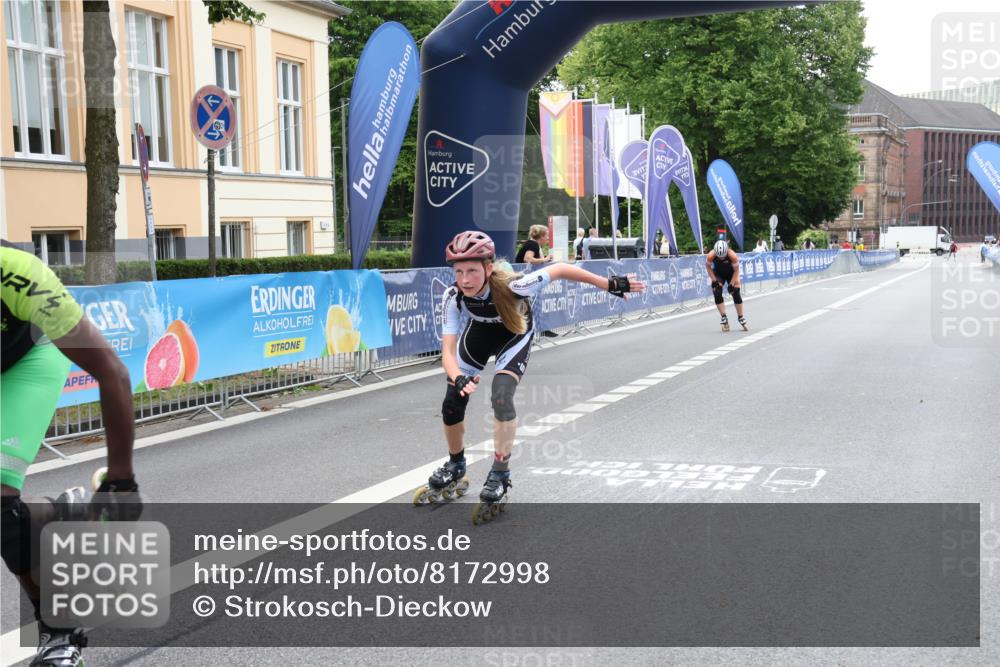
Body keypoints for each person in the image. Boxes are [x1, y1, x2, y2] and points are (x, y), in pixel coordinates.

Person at [416, 231, 644, 522]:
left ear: (488, 268)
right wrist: (459, 378)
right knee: (451, 402)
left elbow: (560, 269)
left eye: (472, 271)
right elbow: (447, 352)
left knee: (501, 396)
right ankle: (456, 464)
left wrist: (608, 283)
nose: (464, 280)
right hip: (479, 335)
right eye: (458, 271)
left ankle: (500, 474)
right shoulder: (453, 296)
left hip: (515, 331)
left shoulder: (516, 285)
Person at [1, 241, 140, 667]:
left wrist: (120, 478)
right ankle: (58, 517)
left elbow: (110, 369)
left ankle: (59, 631)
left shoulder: (17, 272)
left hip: (29, 360)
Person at [705, 237, 747, 332]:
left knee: (735, 292)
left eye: (723, 256)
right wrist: (714, 280)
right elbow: (708, 267)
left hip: (732, 274)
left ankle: (740, 316)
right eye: (719, 256)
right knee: (717, 291)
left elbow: (736, 271)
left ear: (727, 251)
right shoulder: (711, 255)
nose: (721, 258)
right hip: (719, 274)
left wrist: (731, 284)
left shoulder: (732, 255)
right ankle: (723, 316)